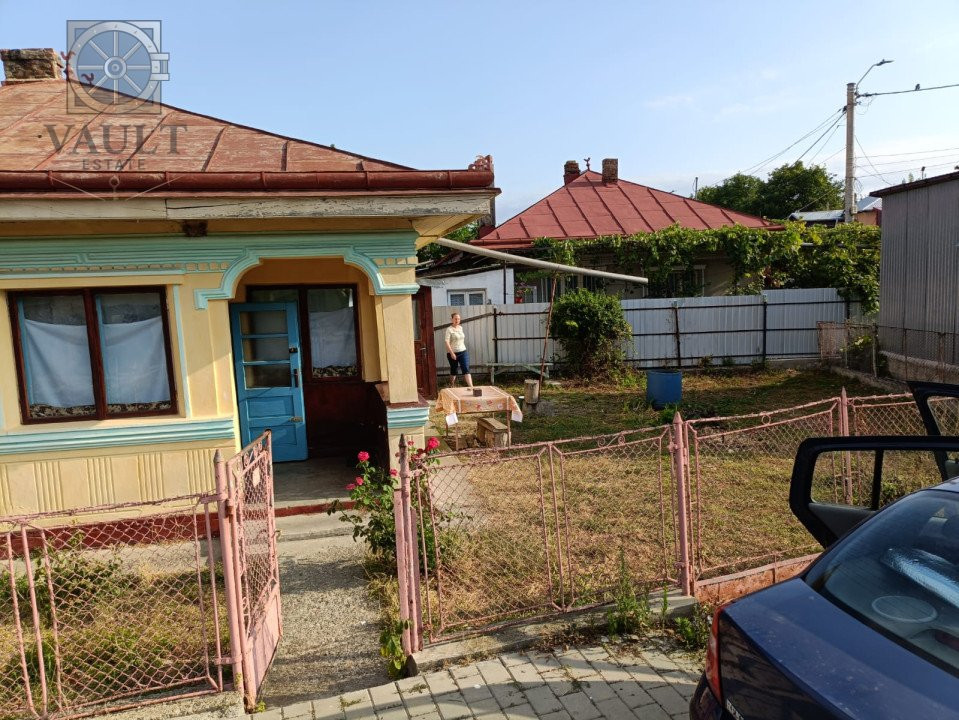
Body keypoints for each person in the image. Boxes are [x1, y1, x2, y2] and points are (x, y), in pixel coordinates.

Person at [444, 312, 473, 388]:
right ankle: (452, 386)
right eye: (455, 318)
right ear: (452, 319)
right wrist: (452, 353)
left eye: (459, 319)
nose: (457, 320)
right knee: (454, 371)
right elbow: (446, 342)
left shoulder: (460, 328)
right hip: (453, 353)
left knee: (466, 369)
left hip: (463, 352)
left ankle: (471, 387)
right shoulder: (449, 329)